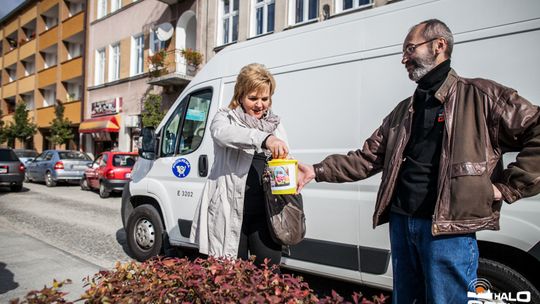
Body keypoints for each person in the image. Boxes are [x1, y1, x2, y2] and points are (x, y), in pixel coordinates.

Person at [297, 19, 540, 304]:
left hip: (448, 232)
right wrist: (316, 171)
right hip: (402, 223)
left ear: (440, 45)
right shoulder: (404, 110)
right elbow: (367, 158)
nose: (403, 58)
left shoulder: (481, 96)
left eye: (410, 49)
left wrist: (509, 186)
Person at [190, 63, 290, 269]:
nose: (260, 105)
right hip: (229, 213)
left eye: (265, 98)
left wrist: (291, 179)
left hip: (266, 215)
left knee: (269, 276)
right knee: (231, 277)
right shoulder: (225, 117)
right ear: (240, 96)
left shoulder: (276, 125)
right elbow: (223, 135)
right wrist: (264, 139)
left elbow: (286, 162)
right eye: (253, 98)